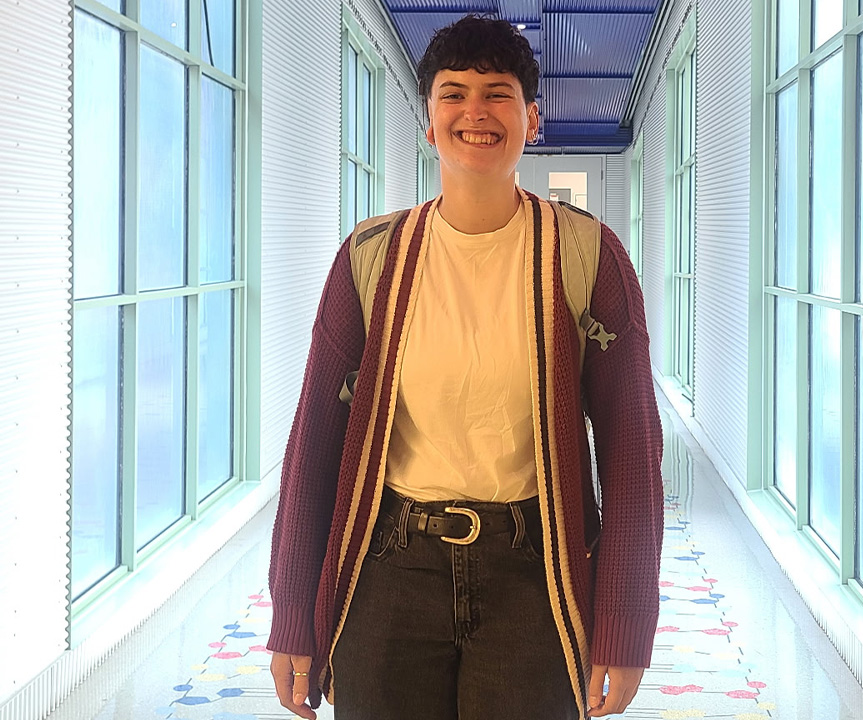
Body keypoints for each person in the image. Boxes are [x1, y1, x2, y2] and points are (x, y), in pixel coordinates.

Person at [266, 14, 663, 720]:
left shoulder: (587, 256)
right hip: (388, 568)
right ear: (428, 121)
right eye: (453, 93)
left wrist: (625, 624)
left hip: (535, 574)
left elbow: (632, 451)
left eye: (497, 93)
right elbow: (315, 443)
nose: (474, 112)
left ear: (531, 119)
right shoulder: (372, 257)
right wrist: (293, 612)